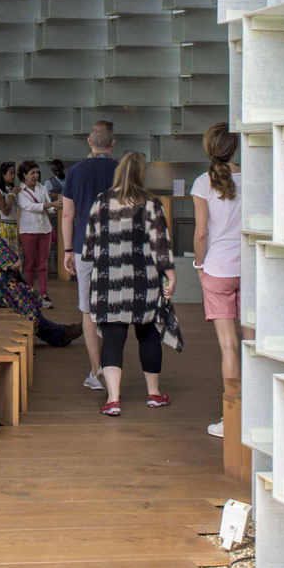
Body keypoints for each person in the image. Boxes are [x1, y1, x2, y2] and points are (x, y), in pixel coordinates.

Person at [82, 150, 182, 416]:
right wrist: (170, 274)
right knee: (148, 334)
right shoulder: (151, 203)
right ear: (141, 174)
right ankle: (154, 394)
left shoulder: (101, 201)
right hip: (143, 279)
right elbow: (161, 244)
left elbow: (89, 243)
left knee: (113, 338)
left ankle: (113, 399)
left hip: (108, 279)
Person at [0, 200, 79, 345]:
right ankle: (53, 335)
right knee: (25, 297)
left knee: (20, 293)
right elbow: (15, 263)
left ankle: (55, 332)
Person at [60, 122, 120, 392]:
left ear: (89, 141)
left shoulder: (75, 171)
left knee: (88, 309)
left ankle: (96, 371)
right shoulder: (121, 170)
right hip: (117, 248)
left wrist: (67, 250)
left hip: (84, 247)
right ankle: (113, 368)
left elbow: (67, 214)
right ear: (113, 142)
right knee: (113, 308)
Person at [192, 123, 242, 438]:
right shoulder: (253, 177)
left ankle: (233, 420)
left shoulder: (202, 183)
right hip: (252, 268)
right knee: (253, 344)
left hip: (218, 268)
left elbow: (201, 233)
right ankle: (260, 413)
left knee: (228, 346)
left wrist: (199, 265)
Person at [16, 159, 53, 304]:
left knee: (43, 266)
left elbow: (49, 209)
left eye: (37, 172)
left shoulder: (42, 188)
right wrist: (50, 204)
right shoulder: (19, 191)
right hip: (28, 232)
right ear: (24, 175)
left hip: (45, 230)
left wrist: (58, 207)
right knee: (29, 266)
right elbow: (30, 207)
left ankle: (44, 294)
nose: (36, 175)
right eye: (32, 173)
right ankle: (29, 294)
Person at [0, 162, 19, 250]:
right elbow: (5, 211)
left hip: (13, 225)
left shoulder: (9, 188)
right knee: (5, 254)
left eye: (14, 173)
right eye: (11, 173)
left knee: (14, 254)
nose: (13, 176)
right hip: (4, 226)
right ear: (3, 174)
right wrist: (12, 195)